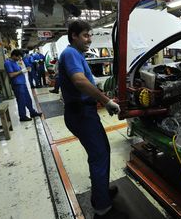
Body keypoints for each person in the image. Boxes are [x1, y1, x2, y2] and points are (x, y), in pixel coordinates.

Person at [58, 20, 126, 219]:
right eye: (86, 35)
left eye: (90, 35)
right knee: (99, 156)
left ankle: (101, 194)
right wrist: (105, 101)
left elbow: (85, 81)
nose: (90, 39)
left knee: (102, 151)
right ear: (74, 36)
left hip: (83, 113)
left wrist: (100, 92)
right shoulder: (70, 53)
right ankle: (102, 208)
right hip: (81, 114)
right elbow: (79, 81)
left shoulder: (76, 55)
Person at [4, 49, 42, 121]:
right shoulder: (8, 63)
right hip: (17, 84)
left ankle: (32, 112)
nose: (19, 59)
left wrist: (25, 69)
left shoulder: (15, 62)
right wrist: (21, 71)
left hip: (22, 83)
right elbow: (11, 75)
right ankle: (22, 116)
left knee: (28, 99)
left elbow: (18, 71)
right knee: (21, 101)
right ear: (14, 55)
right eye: (18, 57)